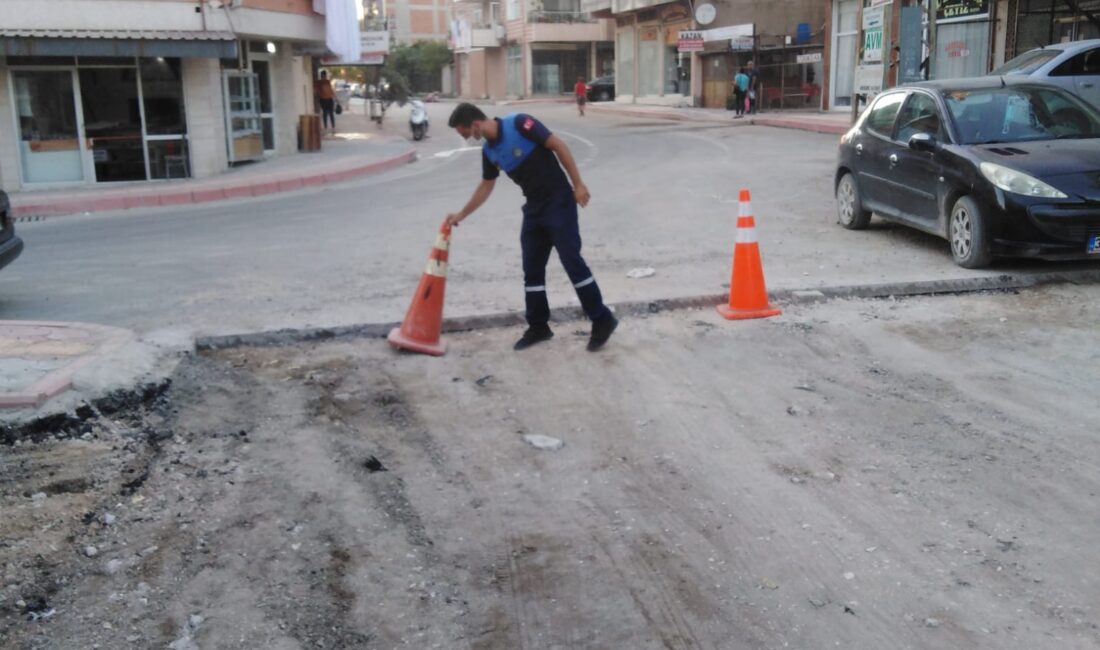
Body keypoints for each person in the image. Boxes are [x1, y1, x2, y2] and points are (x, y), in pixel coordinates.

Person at [444, 103, 618, 352]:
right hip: (534, 209)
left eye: (464, 132)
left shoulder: (519, 123)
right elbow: (486, 186)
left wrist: (577, 184)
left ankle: (602, 319)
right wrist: (462, 214)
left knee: (572, 261)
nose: (465, 137)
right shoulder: (488, 152)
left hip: (558, 202)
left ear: (475, 123)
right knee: (532, 270)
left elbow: (558, 145)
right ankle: (539, 327)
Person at [315, 70, 336, 134]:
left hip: (323, 99)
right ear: (325, 75)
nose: (324, 76)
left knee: (325, 114)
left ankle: (326, 127)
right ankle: (333, 127)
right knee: (331, 114)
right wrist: (334, 97)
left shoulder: (319, 82)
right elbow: (331, 90)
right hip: (329, 99)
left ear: (321, 75)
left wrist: (318, 97)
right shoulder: (327, 81)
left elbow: (317, 91)